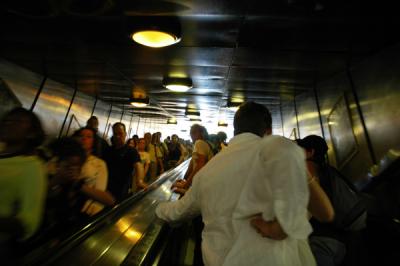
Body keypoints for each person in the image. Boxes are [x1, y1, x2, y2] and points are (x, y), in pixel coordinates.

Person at [156, 102, 315, 266]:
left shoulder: (208, 172)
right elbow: (307, 212)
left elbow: (179, 212)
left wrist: (157, 207)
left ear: (235, 129)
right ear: (268, 131)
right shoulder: (282, 159)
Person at [0, 108, 47, 254]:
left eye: (18, 121)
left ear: (32, 133)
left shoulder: (32, 167)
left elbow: (28, 224)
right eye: (7, 119)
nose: (9, 123)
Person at [73, 128, 115, 215]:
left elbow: (100, 191)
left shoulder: (99, 164)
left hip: (85, 211)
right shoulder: (66, 158)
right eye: (81, 136)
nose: (84, 138)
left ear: (94, 142)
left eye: (89, 137)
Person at [104, 122, 145, 202]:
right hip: (106, 188)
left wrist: (140, 181)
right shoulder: (108, 150)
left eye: (120, 133)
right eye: (115, 134)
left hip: (122, 189)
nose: (117, 136)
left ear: (125, 134)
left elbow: (138, 165)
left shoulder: (131, 151)